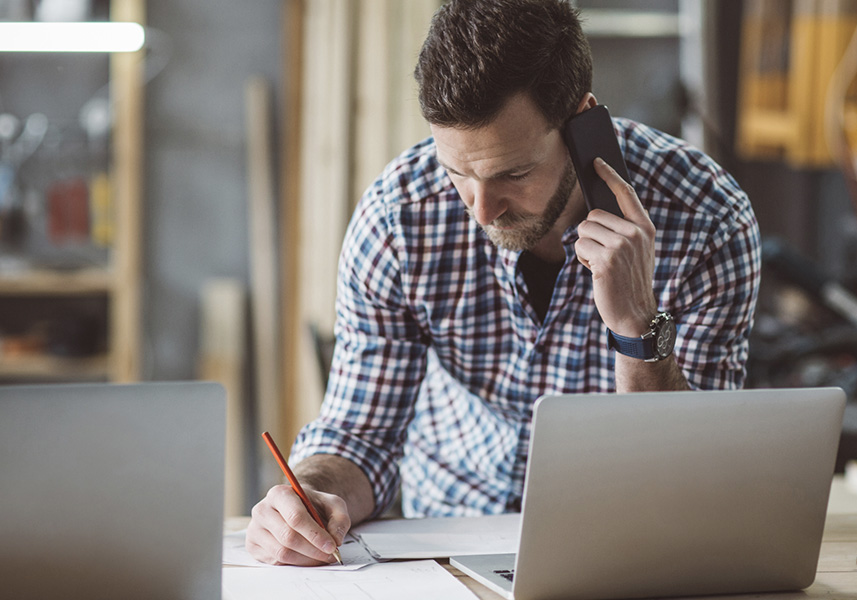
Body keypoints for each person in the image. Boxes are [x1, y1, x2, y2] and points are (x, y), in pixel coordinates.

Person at [247, 0, 761, 567]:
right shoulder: (400, 215)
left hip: (619, 549)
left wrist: (637, 329)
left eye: (513, 174)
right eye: (457, 173)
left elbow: (694, 484)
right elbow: (360, 433)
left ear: (583, 124)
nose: (483, 210)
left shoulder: (707, 218)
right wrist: (313, 496)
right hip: (440, 546)